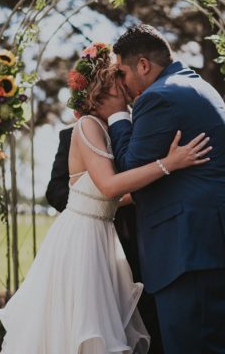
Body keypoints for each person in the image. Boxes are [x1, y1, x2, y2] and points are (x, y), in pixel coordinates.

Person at [0, 42, 211, 354]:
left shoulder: (104, 127)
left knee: (102, 328)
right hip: (82, 241)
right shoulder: (87, 125)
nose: (125, 86)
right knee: (87, 331)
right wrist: (169, 164)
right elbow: (110, 187)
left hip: (99, 234)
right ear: (102, 86)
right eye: (117, 79)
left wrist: (143, 194)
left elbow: (108, 195)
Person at [95, 24, 225, 353]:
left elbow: (128, 167)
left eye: (122, 73)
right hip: (218, 244)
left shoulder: (158, 97)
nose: (122, 85)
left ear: (143, 65)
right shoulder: (194, 86)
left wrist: (116, 115)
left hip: (191, 249)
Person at [46, 126, 164, 354]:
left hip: (139, 245)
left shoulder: (136, 132)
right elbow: (55, 190)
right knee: (91, 319)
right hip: (89, 245)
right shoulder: (72, 135)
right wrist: (96, 202)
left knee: (141, 315)